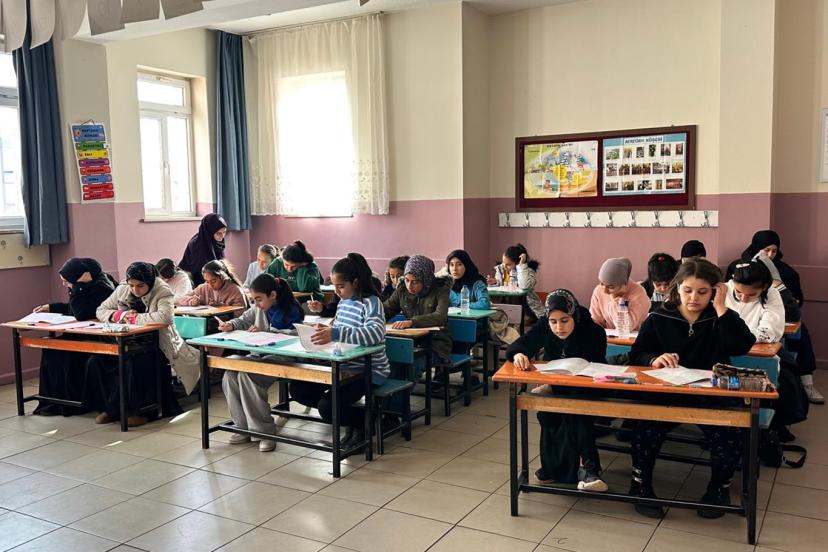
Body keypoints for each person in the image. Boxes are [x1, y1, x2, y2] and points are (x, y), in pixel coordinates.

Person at [627, 258, 756, 519]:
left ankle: (718, 489)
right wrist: (654, 359)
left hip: (711, 394)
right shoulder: (659, 316)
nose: (694, 298)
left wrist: (721, 307)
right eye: (687, 290)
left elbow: (741, 345)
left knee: (729, 431)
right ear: (677, 287)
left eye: (702, 292)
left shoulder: (720, 317)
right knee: (645, 427)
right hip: (669, 391)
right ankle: (640, 486)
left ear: (715, 291)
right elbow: (637, 353)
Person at [507, 290, 609, 491]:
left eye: (564, 321)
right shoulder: (544, 326)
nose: (558, 327)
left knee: (576, 411)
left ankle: (589, 468)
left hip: (587, 388)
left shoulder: (593, 331)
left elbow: (595, 366)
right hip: (558, 385)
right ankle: (556, 468)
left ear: (574, 315)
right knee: (548, 412)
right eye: (553, 322)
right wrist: (518, 353)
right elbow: (525, 342)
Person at [289, 254, 391, 446]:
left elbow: (375, 333)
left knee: (328, 407)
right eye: (334, 286)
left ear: (356, 282)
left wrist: (335, 333)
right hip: (342, 367)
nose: (336, 291)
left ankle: (367, 422)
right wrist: (325, 332)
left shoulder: (371, 302)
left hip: (368, 370)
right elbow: (340, 333)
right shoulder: (343, 303)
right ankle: (354, 416)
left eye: (341, 286)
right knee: (299, 389)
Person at [90, 262, 198, 426]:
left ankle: (141, 412)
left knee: (133, 363)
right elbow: (101, 310)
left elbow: (165, 317)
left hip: (158, 345)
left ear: (150, 282)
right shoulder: (122, 289)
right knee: (98, 361)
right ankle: (113, 409)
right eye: (131, 285)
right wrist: (120, 315)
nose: (135, 290)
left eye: (140, 286)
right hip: (129, 342)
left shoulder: (162, 291)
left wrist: (133, 318)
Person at [726, 230, 822, 403]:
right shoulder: (734, 272)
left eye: (774, 251)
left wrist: (778, 284)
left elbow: (794, 306)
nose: (769, 255)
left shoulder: (784, 274)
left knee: (788, 368)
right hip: (743, 340)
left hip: (775, 324)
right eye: (766, 250)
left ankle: (806, 383)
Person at [219, 274, 304, 452]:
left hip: (284, 358)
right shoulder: (259, 308)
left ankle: (264, 432)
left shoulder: (291, 309)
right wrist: (231, 325)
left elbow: (296, 338)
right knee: (230, 375)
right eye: (253, 299)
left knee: (248, 376)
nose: (256, 304)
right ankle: (242, 426)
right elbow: (243, 319)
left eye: (258, 299)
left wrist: (266, 334)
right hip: (260, 355)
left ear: (273, 295)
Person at [31, 258, 117, 416]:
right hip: (81, 333)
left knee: (64, 354)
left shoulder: (102, 287)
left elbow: (81, 313)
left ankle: (71, 404)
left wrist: (78, 286)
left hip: (97, 337)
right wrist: (51, 307)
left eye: (67, 281)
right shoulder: (84, 285)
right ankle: (54, 402)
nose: (65, 284)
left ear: (80, 276)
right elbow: (74, 308)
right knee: (50, 350)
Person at [384, 255, 452, 363]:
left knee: (410, 364)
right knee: (390, 359)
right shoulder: (402, 289)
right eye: (407, 280)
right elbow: (388, 308)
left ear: (425, 279)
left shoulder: (441, 289)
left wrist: (412, 322)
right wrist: (374, 317)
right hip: (411, 341)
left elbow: (440, 316)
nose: (409, 286)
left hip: (436, 344)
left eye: (415, 282)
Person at [589, 257, 651, 331]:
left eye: (610, 287)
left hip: (632, 338)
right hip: (606, 337)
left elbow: (625, 328)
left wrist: (615, 299)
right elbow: (595, 321)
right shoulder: (599, 290)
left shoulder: (639, 294)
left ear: (624, 284)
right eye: (602, 283)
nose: (605, 291)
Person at [487, 243, 544, 319]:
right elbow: (501, 283)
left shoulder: (527, 271)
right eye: (503, 262)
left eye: (508, 264)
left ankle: (525, 319)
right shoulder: (501, 269)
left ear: (517, 263)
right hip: (506, 302)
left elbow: (524, 286)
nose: (504, 266)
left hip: (524, 305)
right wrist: (495, 282)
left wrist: (521, 265)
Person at [179, 214, 227, 286]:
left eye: (224, 232)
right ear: (210, 232)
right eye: (218, 233)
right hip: (195, 280)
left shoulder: (215, 241)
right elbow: (201, 272)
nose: (222, 236)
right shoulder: (197, 245)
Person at [176, 260, 246, 308]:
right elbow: (181, 299)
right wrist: (191, 301)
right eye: (207, 281)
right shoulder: (203, 288)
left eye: (213, 281)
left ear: (222, 277)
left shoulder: (235, 290)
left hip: (228, 324)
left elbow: (241, 314)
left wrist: (222, 307)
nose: (210, 285)